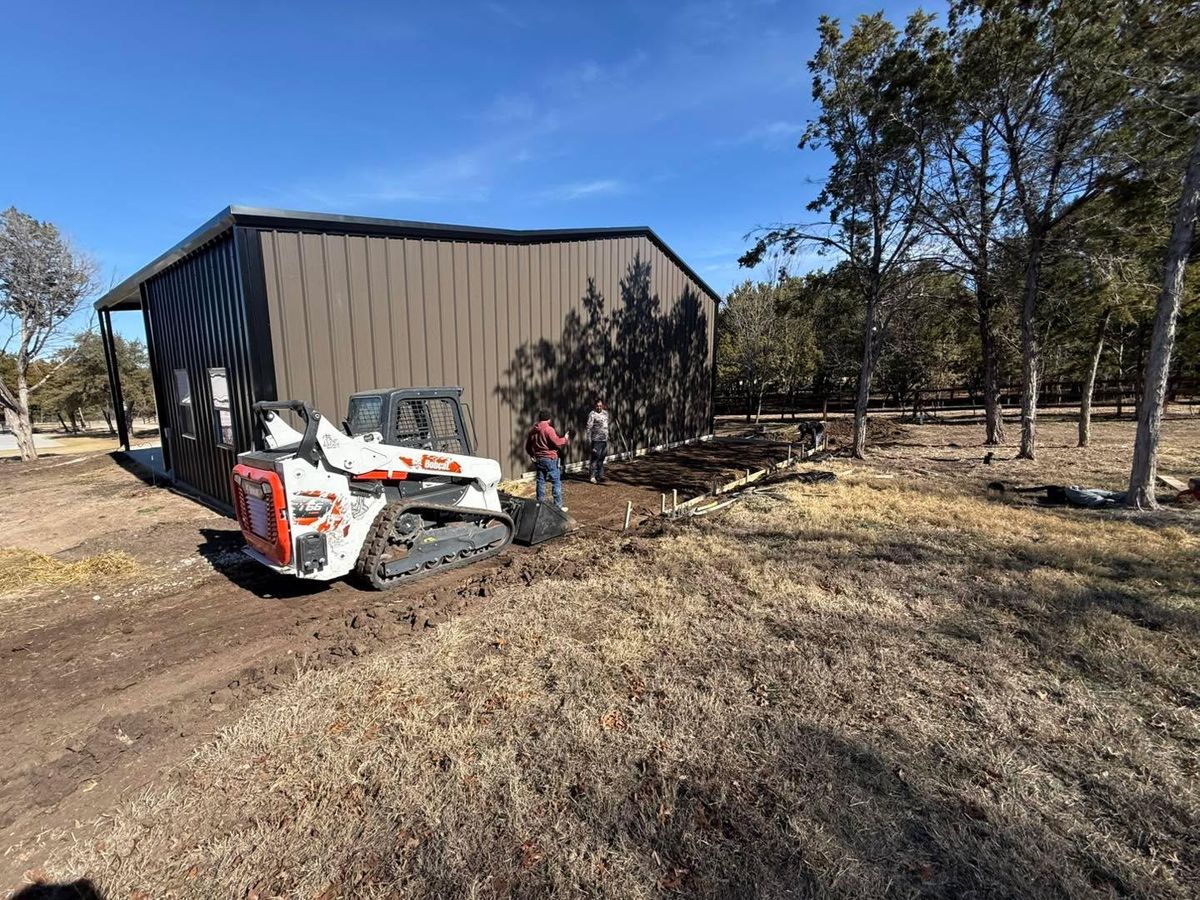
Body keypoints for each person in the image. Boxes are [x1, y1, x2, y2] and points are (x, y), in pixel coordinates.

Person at [525, 408, 570, 509]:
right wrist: (565, 439)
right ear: (548, 419)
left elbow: (528, 447)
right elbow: (557, 442)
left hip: (539, 459)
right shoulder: (549, 429)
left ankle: (539, 505)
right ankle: (558, 506)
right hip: (550, 458)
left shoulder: (533, 431)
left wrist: (532, 455)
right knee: (556, 481)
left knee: (541, 481)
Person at [585, 399, 610, 484]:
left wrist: (608, 436)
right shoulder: (592, 414)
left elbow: (606, 425)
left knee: (602, 458)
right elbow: (588, 428)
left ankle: (600, 475)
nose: (599, 407)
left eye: (600, 406)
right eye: (597, 406)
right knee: (595, 458)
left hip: (604, 439)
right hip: (596, 440)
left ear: (602, 405)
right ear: (595, 406)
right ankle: (592, 476)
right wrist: (589, 441)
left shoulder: (606, 413)